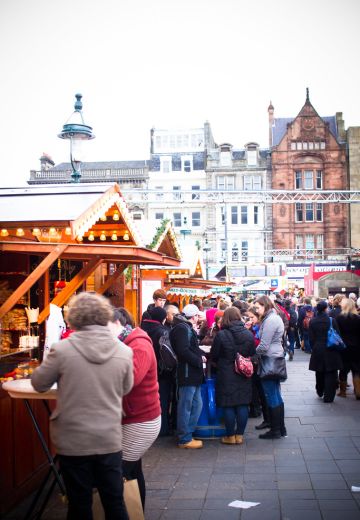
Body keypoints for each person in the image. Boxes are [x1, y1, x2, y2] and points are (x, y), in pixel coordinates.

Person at [32, 292, 134, 520]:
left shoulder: (62, 350)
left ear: (74, 318)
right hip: (108, 437)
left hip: (73, 439)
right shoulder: (124, 351)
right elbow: (126, 388)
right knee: (114, 501)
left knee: (79, 504)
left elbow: (39, 384)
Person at [111, 307, 161, 511]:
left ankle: (128, 512)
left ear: (116, 324)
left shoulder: (138, 344)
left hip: (140, 421)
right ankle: (137, 512)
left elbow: (130, 379)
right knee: (132, 471)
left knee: (117, 473)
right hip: (134, 417)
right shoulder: (125, 342)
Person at [211, 307, 255, 444]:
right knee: (242, 404)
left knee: (228, 404)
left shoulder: (222, 335)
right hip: (243, 373)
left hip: (226, 372)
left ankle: (230, 436)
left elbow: (214, 354)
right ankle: (239, 436)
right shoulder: (248, 334)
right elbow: (252, 353)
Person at [169, 303, 205, 449]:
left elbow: (187, 349)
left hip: (191, 372)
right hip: (187, 372)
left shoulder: (183, 328)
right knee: (187, 405)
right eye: (197, 315)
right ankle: (184, 438)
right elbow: (183, 351)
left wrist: (199, 355)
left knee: (196, 404)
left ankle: (187, 434)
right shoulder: (182, 329)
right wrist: (198, 359)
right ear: (194, 316)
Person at [254, 295, 287, 439]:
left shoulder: (270, 320)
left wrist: (252, 355)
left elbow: (264, 345)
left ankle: (276, 430)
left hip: (270, 360)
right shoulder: (272, 318)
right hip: (274, 358)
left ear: (265, 305)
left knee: (272, 395)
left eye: (257, 307)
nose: (256, 310)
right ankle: (279, 428)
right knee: (275, 395)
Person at [141, 306, 175, 436]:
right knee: (163, 400)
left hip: (145, 369)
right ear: (163, 318)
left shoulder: (142, 329)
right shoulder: (163, 331)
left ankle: (147, 428)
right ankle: (163, 428)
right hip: (162, 371)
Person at [308, 300, 343, 403]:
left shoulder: (313, 321)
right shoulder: (331, 320)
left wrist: (314, 347)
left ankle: (320, 389)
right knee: (331, 372)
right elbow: (338, 334)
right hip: (331, 348)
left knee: (319, 371)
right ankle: (329, 396)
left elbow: (311, 338)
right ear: (325, 309)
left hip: (318, 348)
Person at [245, 306, 270, 427]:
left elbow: (260, 345)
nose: (250, 320)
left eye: (252, 317)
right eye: (248, 318)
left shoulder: (260, 328)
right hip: (255, 363)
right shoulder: (253, 329)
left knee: (262, 390)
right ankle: (262, 414)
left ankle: (267, 418)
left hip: (260, 363)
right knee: (256, 388)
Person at [335, 298, 360, 399]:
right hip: (357, 347)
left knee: (343, 369)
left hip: (343, 347)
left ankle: (343, 392)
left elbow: (336, 333)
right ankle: (358, 392)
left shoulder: (339, 318)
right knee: (357, 370)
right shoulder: (358, 318)